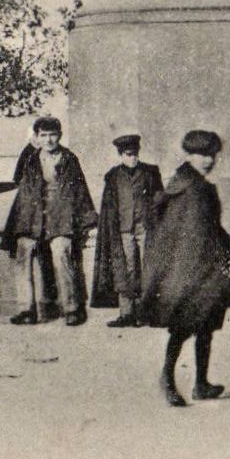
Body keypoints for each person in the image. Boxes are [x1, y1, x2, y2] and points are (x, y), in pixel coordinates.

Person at [140, 129, 230, 408]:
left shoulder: (189, 184)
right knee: (182, 328)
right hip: (189, 268)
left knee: (205, 327)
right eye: (202, 155)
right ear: (189, 155)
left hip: (204, 266)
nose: (208, 160)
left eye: (212, 155)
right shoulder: (190, 188)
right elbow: (178, 227)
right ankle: (167, 379)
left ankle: (201, 383)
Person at [1, 116, 97, 326]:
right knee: (23, 250)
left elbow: (80, 190)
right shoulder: (31, 159)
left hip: (60, 217)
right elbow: (21, 186)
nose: (49, 140)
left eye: (52, 134)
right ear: (37, 137)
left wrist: (87, 219)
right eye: (43, 135)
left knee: (62, 251)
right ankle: (26, 309)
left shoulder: (69, 158)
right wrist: (22, 223)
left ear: (60, 135)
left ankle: (72, 308)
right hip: (33, 218)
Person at [91, 133, 164, 327]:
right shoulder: (113, 176)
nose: (132, 158)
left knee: (147, 268)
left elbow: (159, 199)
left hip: (145, 227)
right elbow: (109, 206)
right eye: (127, 154)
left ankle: (147, 313)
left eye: (134, 154)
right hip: (124, 230)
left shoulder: (150, 173)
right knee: (127, 270)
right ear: (121, 155)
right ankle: (127, 314)